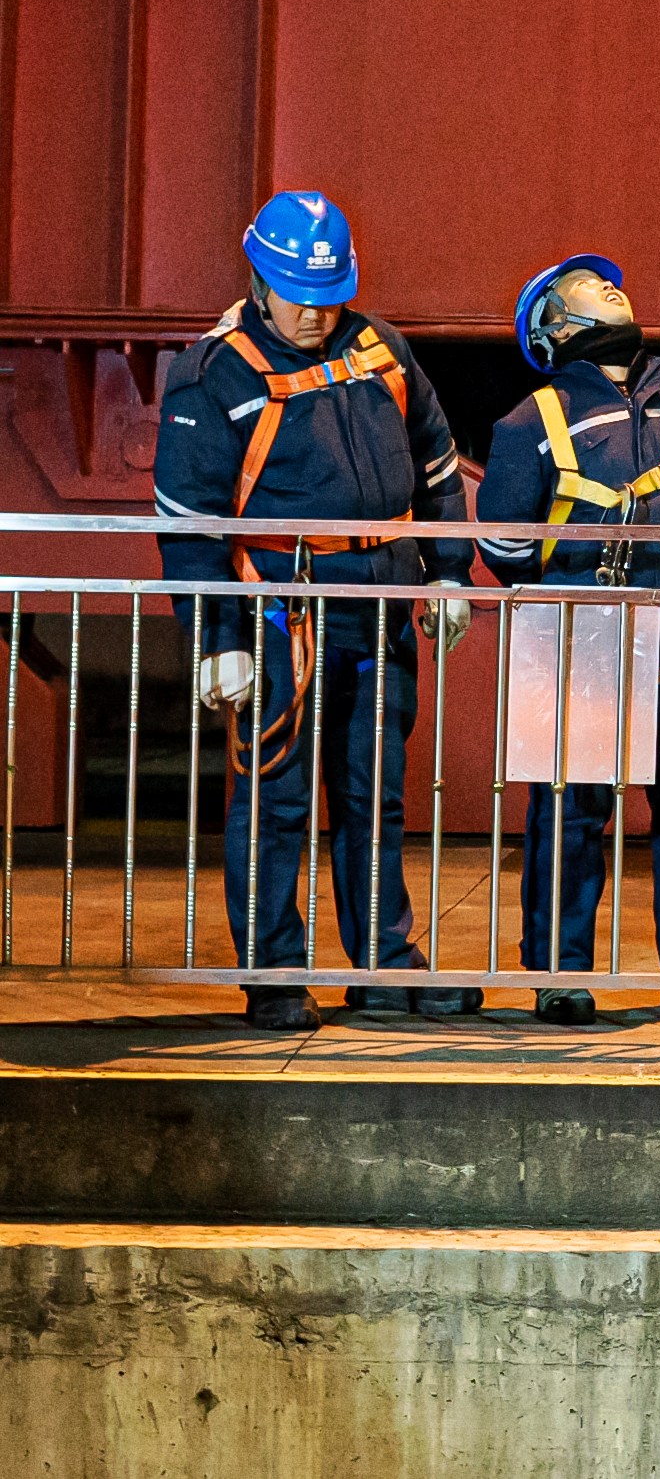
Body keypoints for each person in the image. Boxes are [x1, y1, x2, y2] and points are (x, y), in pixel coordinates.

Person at [154, 190, 481, 1031]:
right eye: (300, 294)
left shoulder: (380, 350)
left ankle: (383, 965)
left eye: (330, 294)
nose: (315, 312)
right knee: (277, 802)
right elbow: (189, 522)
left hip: (378, 611)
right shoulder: (214, 374)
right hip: (280, 620)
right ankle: (274, 973)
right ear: (259, 279)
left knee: (375, 799)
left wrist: (449, 572)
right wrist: (216, 637)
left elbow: (437, 464)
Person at [474, 255, 660, 1024]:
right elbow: (503, 545)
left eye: (611, 282)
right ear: (552, 326)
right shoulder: (533, 418)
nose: (609, 285)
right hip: (586, 639)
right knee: (571, 814)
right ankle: (559, 972)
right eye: (585, 286)